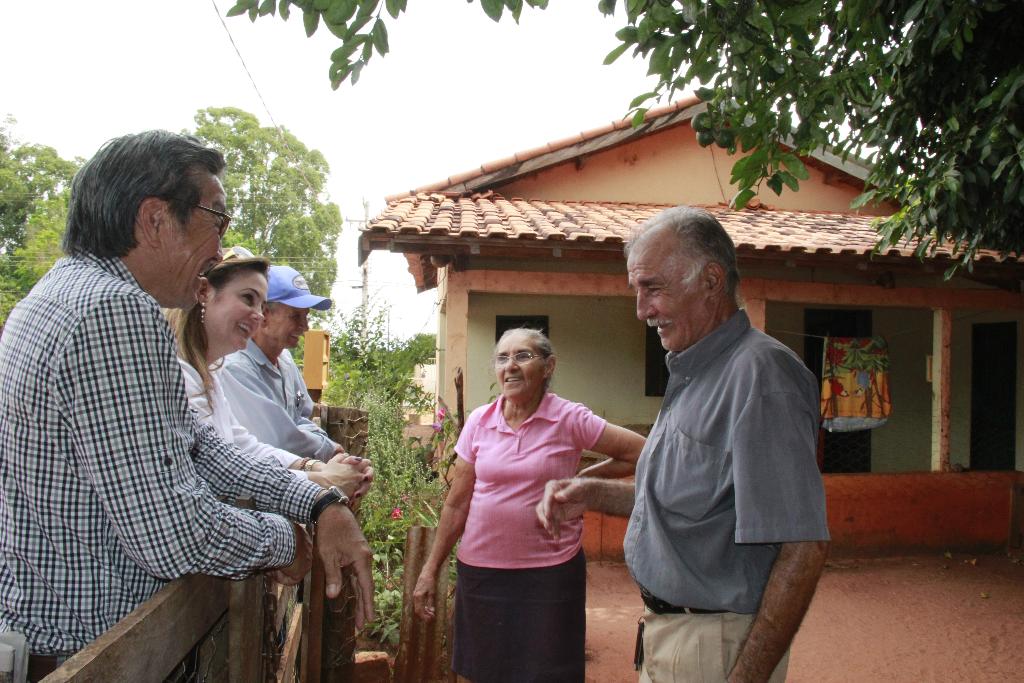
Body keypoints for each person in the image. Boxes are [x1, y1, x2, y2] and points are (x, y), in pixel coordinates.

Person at [0, 131, 373, 678]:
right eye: (215, 218)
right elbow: (172, 533)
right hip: (93, 655)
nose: (220, 247)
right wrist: (284, 542)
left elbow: (198, 447)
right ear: (154, 220)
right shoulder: (115, 312)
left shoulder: (57, 294)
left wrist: (316, 505)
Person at [537, 206, 830, 683]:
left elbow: (804, 547)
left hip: (716, 648)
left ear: (711, 281)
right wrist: (589, 494)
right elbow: (687, 506)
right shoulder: (695, 372)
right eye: (638, 290)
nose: (641, 309)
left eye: (653, 288)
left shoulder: (760, 377)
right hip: (672, 637)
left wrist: (745, 678)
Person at [412, 328, 646, 683]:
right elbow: (457, 505)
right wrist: (430, 570)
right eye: (503, 358)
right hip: (482, 574)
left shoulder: (568, 418)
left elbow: (640, 452)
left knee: (547, 675)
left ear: (548, 366)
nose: (511, 366)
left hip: (549, 575)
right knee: (481, 672)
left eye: (523, 356)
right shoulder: (479, 421)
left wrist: (585, 482)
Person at [166, 247, 373, 498]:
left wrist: (316, 468)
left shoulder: (212, 374)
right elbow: (226, 467)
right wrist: (319, 477)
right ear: (203, 294)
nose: (257, 315)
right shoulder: (185, 377)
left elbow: (245, 445)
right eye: (248, 299)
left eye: (261, 304)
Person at [221, 264, 342, 461]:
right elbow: (278, 440)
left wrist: (323, 444)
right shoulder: (236, 368)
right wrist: (329, 449)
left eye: (306, 316)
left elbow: (301, 417)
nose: (305, 327)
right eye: (295, 316)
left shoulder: (285, 359)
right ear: (265, 315)